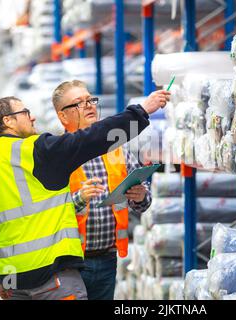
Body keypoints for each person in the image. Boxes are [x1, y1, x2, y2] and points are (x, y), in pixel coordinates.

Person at [0, 89, 170, 300]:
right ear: (8, 121)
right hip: (53, 276)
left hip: (13, 280)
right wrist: (141, 111)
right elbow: (91, 137)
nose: (33, 117)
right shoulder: (35, 150)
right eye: (26, 112)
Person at [52, 80, 152, 300]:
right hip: (70, 264)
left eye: (90, 100)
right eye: (79, 103)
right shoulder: (56, 155)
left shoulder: (115, 149)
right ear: (62, 116)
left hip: (107, 260)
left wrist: (141, 195)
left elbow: (143, 200)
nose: (89, 105)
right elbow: (45, 213)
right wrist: (79, 199)